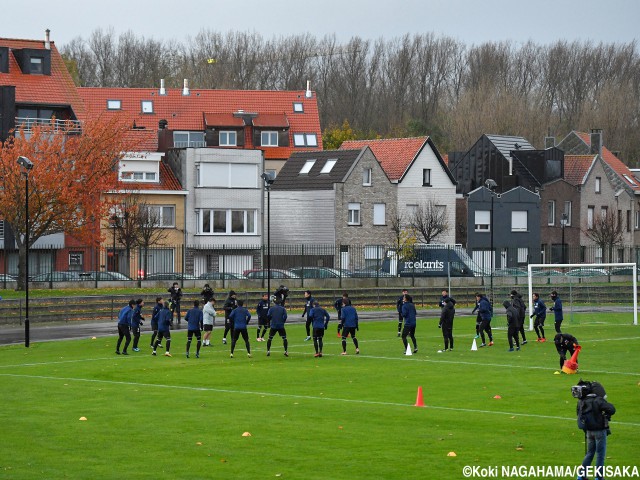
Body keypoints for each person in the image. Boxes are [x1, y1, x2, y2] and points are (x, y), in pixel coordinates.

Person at [576, 382, 616, 480]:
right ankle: (598, 477)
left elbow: (579, 414)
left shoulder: (582, 401)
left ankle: (581, 475)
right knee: (600, 455)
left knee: (589, 453)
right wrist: (605, 414)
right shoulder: (598, 400)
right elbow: (612, 409)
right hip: (600, 431)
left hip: (588, 431)